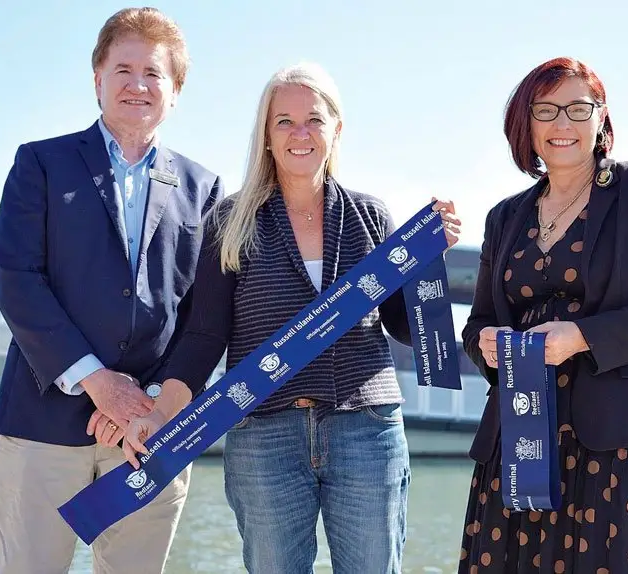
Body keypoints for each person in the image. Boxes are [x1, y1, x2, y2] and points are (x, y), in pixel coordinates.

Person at [121, 62, 461, 573]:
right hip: (265, 436)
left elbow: (403, 326)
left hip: (366, 430)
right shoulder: (230, 222)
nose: (300, 134)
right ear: (266, 134)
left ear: (336, 128)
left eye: (314, 120)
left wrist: (426, 261)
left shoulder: (371, 216)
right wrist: (159, 413)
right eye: (284, 121)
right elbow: (204, 334)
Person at [0, 8, 224, 573]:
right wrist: (100, 383)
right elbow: (18, 280)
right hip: (42, 426)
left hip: (150, 433)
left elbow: (206, 317)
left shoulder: (205, 188)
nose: (137, 84)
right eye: (123, 68)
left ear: (176, 90)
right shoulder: (41, 163)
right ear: (97, 78)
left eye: (154, 73)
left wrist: (151, 403)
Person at [458, 56, 628, 573]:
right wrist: (486, 343)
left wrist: (581, 336)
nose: (562, 124)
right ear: (524, 124)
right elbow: (478, 324)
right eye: (546, 109)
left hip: (624, 444)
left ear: (602, 119)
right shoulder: (504, 216)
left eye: (579, 108)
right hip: (520, 436)